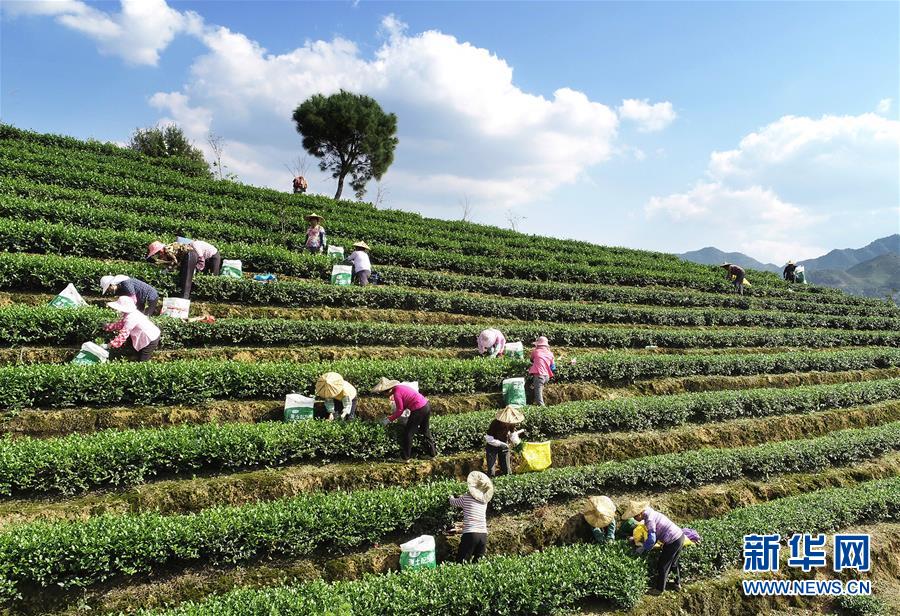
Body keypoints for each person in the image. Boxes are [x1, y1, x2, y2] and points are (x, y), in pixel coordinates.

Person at [622, 500, 685, 595]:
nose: (635, 519)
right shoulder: (650, 512)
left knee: (663, 565)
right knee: (673, 563)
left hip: (673, 541)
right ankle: (677, 583)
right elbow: (654, 534)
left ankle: (659, 589)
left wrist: (643, 548)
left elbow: (652, 539)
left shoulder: (649, 519)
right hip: (680, 536)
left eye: (635, 517)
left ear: (640, 513)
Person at [372, 377, 437, 459]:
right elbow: (406, 401)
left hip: (418, 409)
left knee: (408, 433)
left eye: (383, 393)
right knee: (425, 430)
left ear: (388, 390)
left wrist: (389, 419)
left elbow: (400, 410)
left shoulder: (397, 393)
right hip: (426, 406)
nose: (384, 396)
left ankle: (405, 457)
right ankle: (432, 454)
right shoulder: (401, 388)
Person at [148, 239, 222, 299]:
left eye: (157, 253)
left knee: (213, 276)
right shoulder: (173, 250)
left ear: (160, 250)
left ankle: (212, 297)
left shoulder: (194, 245)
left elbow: (200, 260)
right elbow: (173, 264)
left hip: (213, 256)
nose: (158, 255)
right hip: (201, 257)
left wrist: (197, 268)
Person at [448, 471, 494, 563]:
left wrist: (450, 496)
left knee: (461, 562)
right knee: (478, 564)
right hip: (483, 535)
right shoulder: (484, 502)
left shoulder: (466, 498)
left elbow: (453, 502)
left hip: (470, 535)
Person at [103, 296, 162, 362]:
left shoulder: (131, 318)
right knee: (137, 356)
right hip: (146, 336)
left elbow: (123, 336)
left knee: (143, 360)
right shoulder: (129, 313)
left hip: (151, 338)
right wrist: (107, 326)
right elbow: (121, 324)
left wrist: (109, 345)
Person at [484, 405, 525, 478]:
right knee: (491, 471)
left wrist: (518, 443)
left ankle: (507, 479)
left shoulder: (511, 423)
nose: (508, 423)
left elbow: (513, 434)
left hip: (504, 445)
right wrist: (501, 444)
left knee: (507, 470)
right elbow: (489, 438)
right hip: (492, 446)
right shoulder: (495, 423)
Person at [528, 336, 555, 406]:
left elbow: (531, 360)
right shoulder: (550, 353)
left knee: (538, 396)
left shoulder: (535, 352)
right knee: (538, 387)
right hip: (547, 377)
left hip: (539, 376)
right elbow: (553, 367)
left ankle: (542, 409)